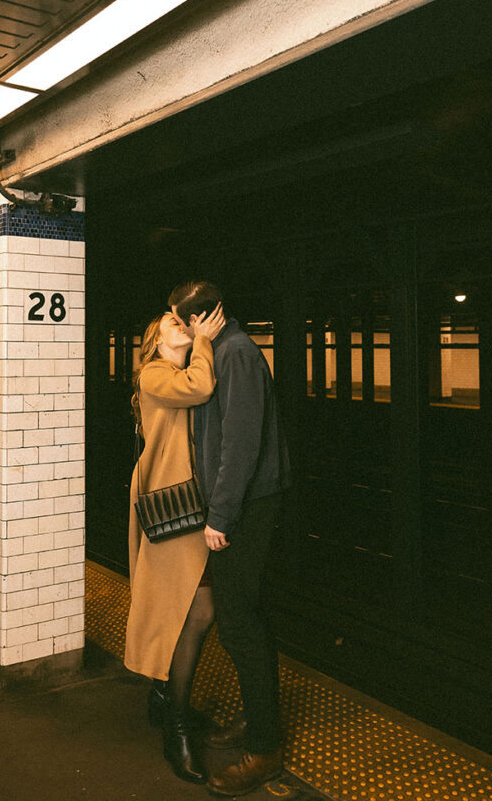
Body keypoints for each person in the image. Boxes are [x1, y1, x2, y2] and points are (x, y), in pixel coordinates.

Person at [168, 279, 291, 798]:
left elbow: (240, 439)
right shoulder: (220, 350)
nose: (173, 326)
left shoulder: (236, 353)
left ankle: (264, 749)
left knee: (240, 622)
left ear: (199, 319)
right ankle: (255, 720)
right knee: (241, 618)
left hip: (248, 505)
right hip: (240, 502)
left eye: (177, 319)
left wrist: (220, 515)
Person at [124, 304, 225, 785]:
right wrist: (205, 340)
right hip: (172, 503)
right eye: (173, 323)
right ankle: (176, 726)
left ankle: (166, 698)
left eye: (186, 321)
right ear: (156, 340)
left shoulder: (173, 369)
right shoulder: (155, 374)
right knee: (192, 608)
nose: (184, 326)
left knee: (190, 608)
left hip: (187, 501)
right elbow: (200, 387)